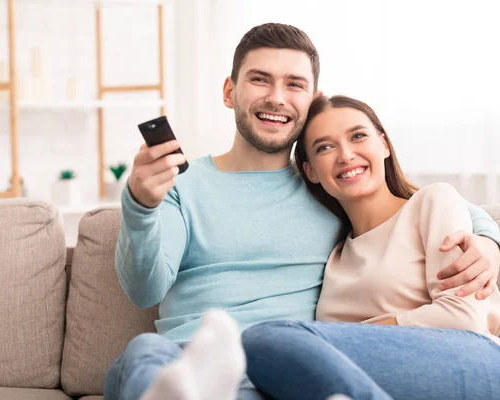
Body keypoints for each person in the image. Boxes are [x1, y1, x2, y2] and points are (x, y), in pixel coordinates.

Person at [103, 23, 500, 400]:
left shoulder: (327, 186)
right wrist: (141, 205)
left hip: (284, 363)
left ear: (310, 101)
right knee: (142, 352)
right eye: (259, 79)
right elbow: (145, 290)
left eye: (294, 84)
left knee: (265, 345)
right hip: (188, 360)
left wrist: (488, 239)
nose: (277, 97)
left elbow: (424, 205)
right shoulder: (182, 186)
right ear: (229, 92)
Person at [242, 95, 500, 400]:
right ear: (310, 171)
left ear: (384, 145)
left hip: (475, 359)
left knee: (266, 340)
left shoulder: (433, 201)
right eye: (325, 147)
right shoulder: (335, 257)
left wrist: (355, 336)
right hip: (393, 383)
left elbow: (463, 318)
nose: (346, 155)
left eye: (358, 136)